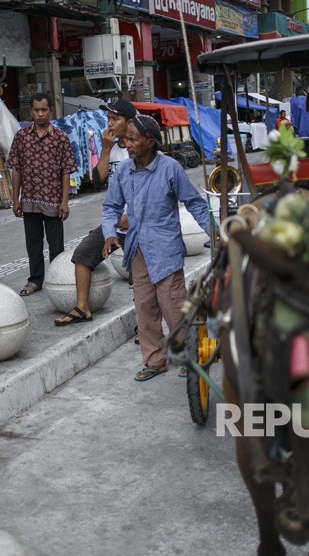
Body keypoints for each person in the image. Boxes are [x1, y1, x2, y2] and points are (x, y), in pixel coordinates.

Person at [101, 115, 210, 382]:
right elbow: (110, 207)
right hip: (137, 251)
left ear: (150, 141)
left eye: (133, 139)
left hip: (166, 250)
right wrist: (108, 233)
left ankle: (188, 355)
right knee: (145, 308)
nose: (127, 144)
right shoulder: (124, 171)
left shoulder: (170, 168)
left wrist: (216, 232)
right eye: (126, 139)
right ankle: (155, 360)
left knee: (173, 305)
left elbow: (195, 203)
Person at [54, 99, 136, 326]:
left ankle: (144, 322)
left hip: (139, 222)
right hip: (114, 222)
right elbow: (98, 181)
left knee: (140, 275)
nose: (109, 123)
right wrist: (107, 149)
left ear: (129, 123)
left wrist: (133, 214)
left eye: (115, 119)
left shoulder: (139, 146)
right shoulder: (108, 145)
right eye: (108, 118)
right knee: (83, 254)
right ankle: (82, 307)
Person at [7, 92, 77, 296]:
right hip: (29, 200)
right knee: (33, 243)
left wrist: (65, 201)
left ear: (50, 111)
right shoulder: (21, 137)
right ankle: (35, 280)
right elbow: (16, 168)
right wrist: (15, 200)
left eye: (44, 110)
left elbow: (66, 171)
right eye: (36, 110)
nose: (40, 114)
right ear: (30, 112)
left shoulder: (60, 138)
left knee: (56, 245)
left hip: (53, 200)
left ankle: (58, 279)